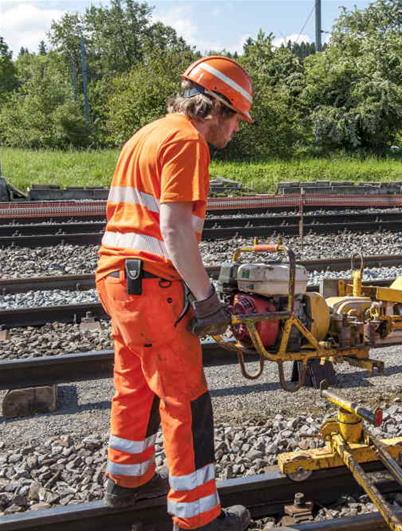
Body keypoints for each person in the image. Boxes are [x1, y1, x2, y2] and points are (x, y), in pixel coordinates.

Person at [95, 56, 254, 531]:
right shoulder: (189, 141)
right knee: (184, 397)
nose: (235, 132)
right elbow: (175, 228)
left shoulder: (148, 133)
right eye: (236, 121)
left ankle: (128, 481)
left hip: (118, 279)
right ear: (217, 110)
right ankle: (199, 517)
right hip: (152, 285)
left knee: (135, 382)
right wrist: (206, 298)